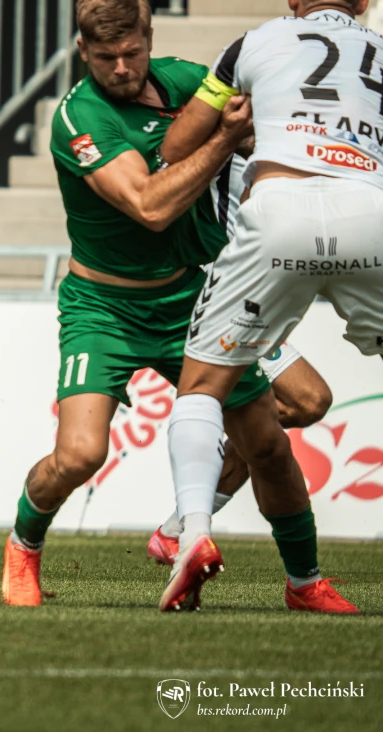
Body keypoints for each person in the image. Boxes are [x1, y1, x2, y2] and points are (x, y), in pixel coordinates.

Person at [1, 0, 279, 611]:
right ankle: (24, 543)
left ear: (150, 41)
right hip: (104, 308)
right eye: (106, 58)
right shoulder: (79, 118)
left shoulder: (187, 81)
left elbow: (257, 125)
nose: (122, 68)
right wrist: (223, 141)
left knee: (288, 412)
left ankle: (236, 551)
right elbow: (150, 208)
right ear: (83, 52)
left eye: (132, 53)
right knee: (80, 455)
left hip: (190, 297)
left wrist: (252, 136)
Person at [156, 0, 379, 614]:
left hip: (278, 211)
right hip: (370, 213)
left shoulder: (253, 43)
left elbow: (175, 147)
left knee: (203, 387)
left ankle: (190, 533)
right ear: (363, 2)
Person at [146, 151, 334, 565]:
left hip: (261, 299)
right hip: (226, 295)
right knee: (307, 399)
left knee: (287, 412)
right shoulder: (222, 140)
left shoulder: (299, 143)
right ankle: (179, 526)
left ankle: (176, 529)